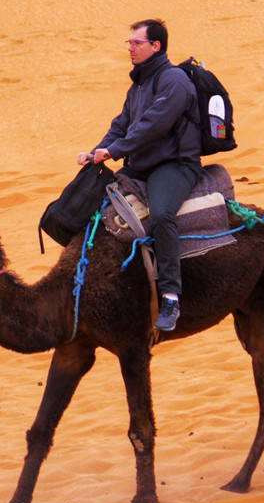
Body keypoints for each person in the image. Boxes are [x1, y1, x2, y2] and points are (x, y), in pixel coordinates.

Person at [85, 18, 201, 332]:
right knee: (91, 201)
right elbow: (121, 124)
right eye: (129, 42)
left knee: (162, 214)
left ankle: (171, 297)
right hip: (140, 165)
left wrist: (114, 152)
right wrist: (97, 151)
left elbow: (154, 124)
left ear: (155, 46)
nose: (130, 48)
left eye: (136, 43)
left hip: (173, 165)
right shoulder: (138, 85)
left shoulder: (173, 80)